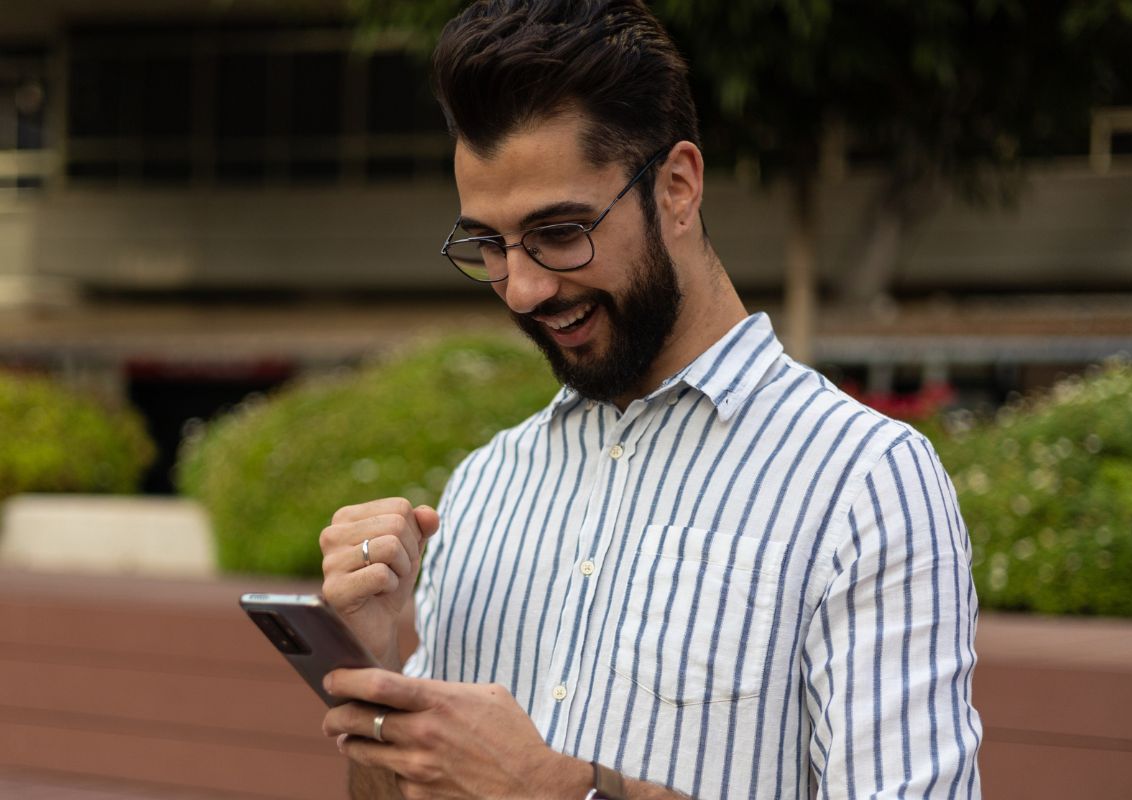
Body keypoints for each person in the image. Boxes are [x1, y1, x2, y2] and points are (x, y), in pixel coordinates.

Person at [318, 1, 983, 797]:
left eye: (561, 231)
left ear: (676, 187)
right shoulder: (487, 484)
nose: (524, 288)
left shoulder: (866, 482)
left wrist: (568, 791)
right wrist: (376, 672)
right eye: (490, 246)